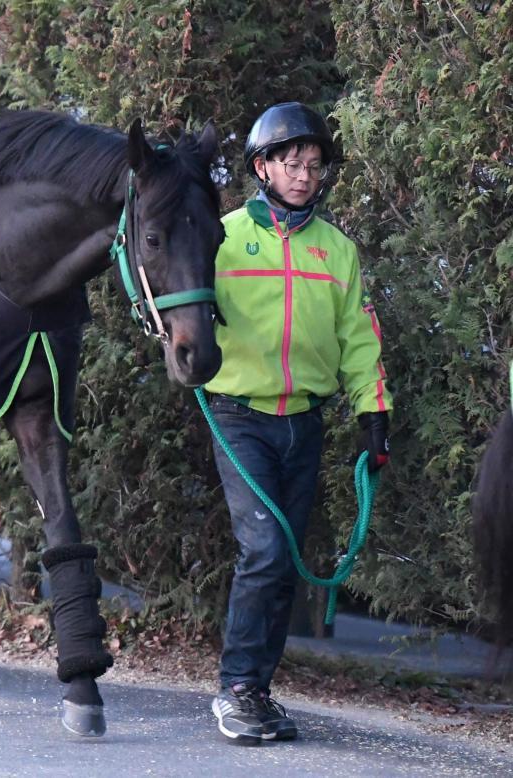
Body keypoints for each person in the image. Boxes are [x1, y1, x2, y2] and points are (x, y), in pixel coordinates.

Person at [205, 102, 392, 744]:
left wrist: (373, 412)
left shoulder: (336, 250)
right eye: (293, 163)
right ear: (262, 167)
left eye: (314, 165)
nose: (306, 175)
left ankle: (258, 689)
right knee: (263, 548)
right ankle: (235, 689)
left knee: (284, 560)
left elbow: (358, 337)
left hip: (304, 421)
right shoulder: (224, 237)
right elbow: (176, 293)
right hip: (239, 415)